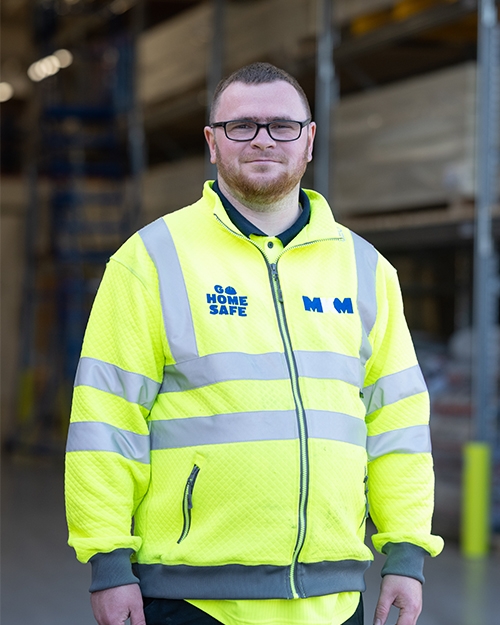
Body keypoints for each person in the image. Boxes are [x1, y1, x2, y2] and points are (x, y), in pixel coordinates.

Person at [65, 62, 444, 625]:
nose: (263, 139)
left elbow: (398, 423)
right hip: (191, 598)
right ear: (212, 142)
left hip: (333, 598)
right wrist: (108, 560)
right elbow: (106, 419)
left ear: (309, 140)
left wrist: (407, 552)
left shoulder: (367, 269)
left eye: (282, 125)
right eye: (241, 126)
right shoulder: (150, 260)